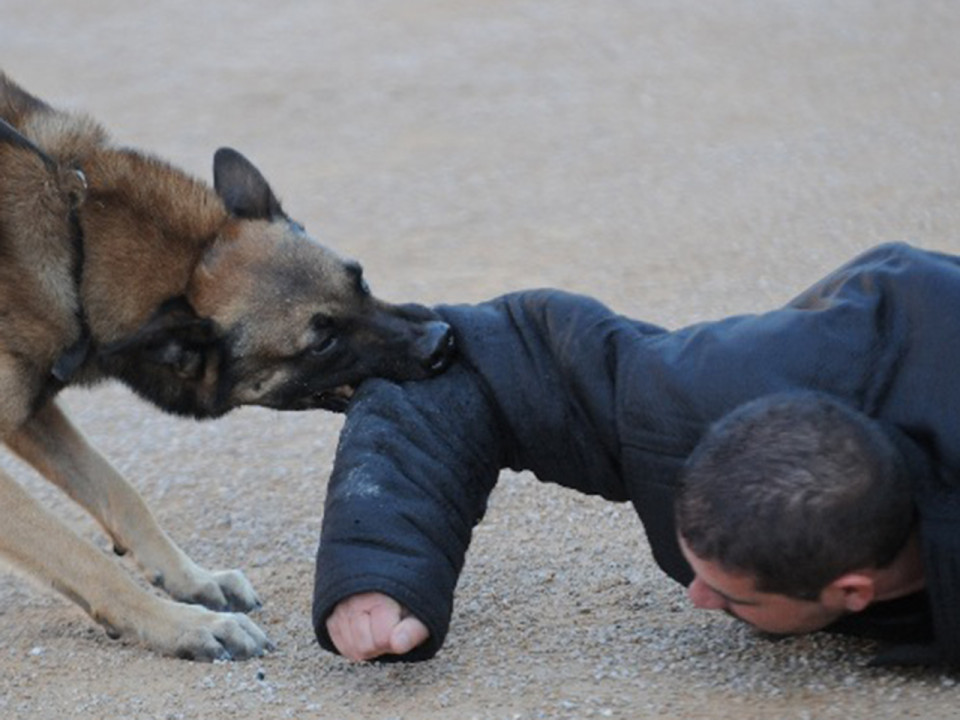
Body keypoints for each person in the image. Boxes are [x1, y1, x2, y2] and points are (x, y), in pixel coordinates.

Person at [313, 242, 960, 666]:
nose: (697, 599)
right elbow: (474, 362)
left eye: (734, 597)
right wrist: (379, 567)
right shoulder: (698, 397)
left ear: (854, 590)